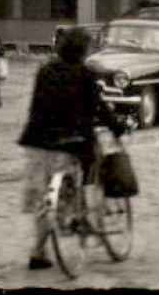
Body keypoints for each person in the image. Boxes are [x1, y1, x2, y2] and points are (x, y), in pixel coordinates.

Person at [17, 26, 127, 270]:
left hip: (38, 141)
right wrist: (117, 126)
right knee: (88, 170)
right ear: (82, 51)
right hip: (69, 142)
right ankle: (85, 216)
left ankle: (38, 251)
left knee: (45, 198)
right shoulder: (84, 74)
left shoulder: (45, 70)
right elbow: (98, 107)